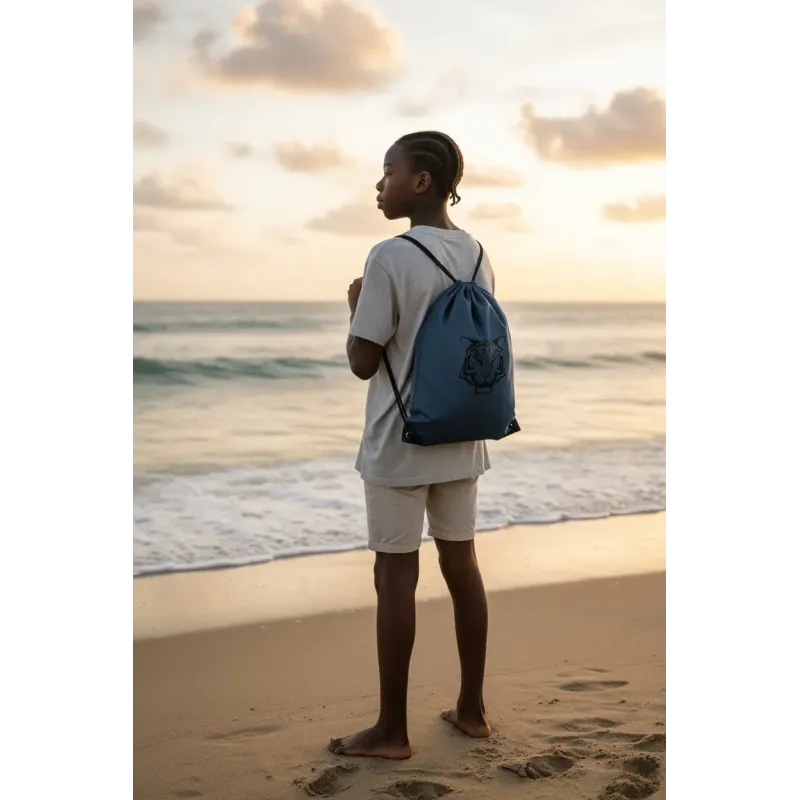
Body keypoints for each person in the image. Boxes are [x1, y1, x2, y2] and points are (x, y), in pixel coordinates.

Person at [328, 131, 495, 760]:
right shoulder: (478, 254)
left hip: (400, 441)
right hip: (461, 434)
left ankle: (391, 731)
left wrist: (355, 309)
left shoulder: (388, 257)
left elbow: (363, 363)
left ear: (420, 181)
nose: (380, 184)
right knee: (463, 567)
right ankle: (472, 711)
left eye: (387, 171)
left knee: (396, 575)